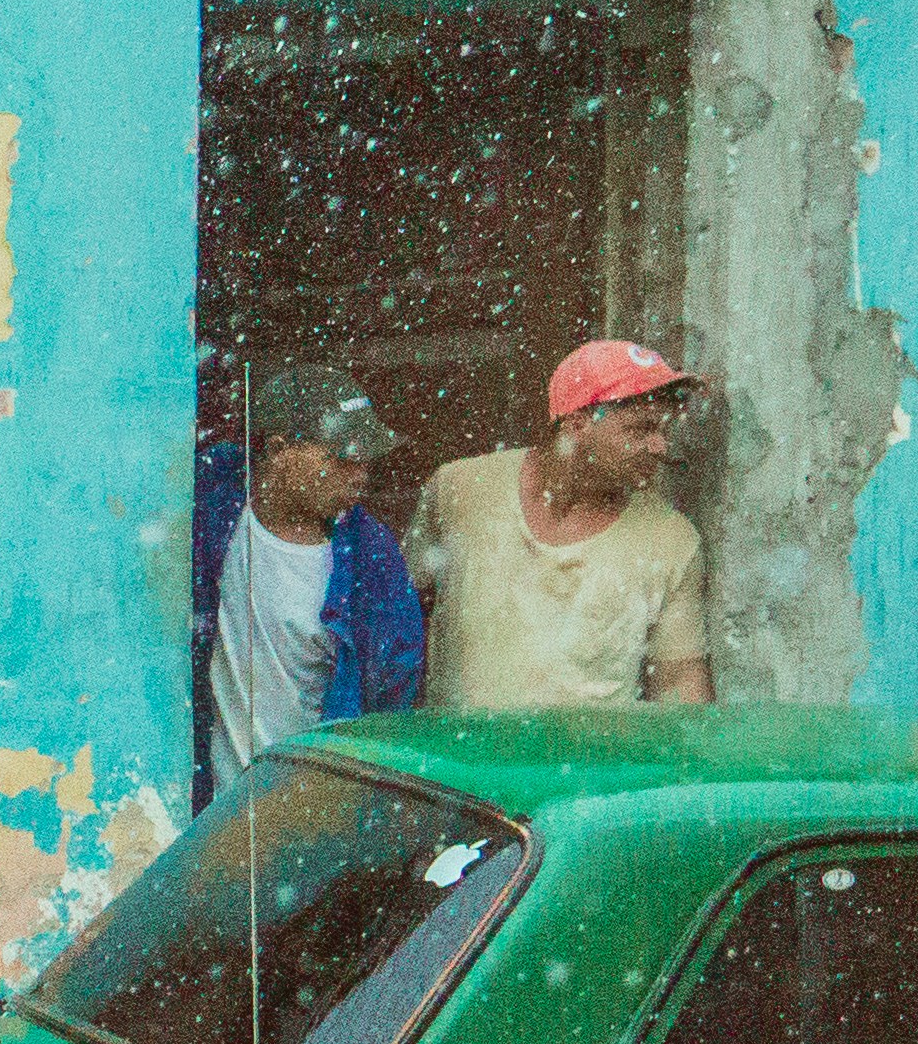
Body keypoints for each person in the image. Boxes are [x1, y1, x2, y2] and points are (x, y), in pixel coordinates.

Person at [410, 338, 715, 711]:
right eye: (642, 429)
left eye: (664, 430)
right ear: (577, 423)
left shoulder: (671, 540)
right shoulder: (462, 490)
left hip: (594, 766)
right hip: (457, 765)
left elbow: (682, 687)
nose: (660, 447)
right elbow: (393, 618)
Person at [186, 362, 424, 802]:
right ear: (278, 451)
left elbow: (391, 697)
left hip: (310, 812)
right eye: (341, 457)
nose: (360, 475)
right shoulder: (210, 511)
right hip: (211, 812)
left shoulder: (372, 561)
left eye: (366, 460)